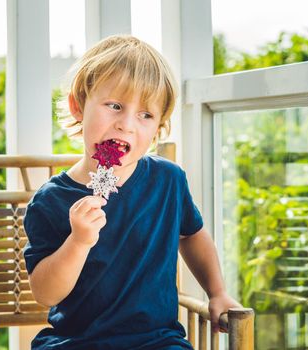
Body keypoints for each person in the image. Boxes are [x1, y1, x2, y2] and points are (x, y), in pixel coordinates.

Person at [23, 35, 242, 349]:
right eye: (114, 106)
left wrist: (217, 292)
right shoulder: (50, 201)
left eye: (145, 115)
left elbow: (192, 235)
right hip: (78, 341)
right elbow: (45, 293)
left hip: (157, 340)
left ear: (158, 129)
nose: (126, 125)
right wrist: (79, 241)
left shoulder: (168, 180)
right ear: (78, 106)